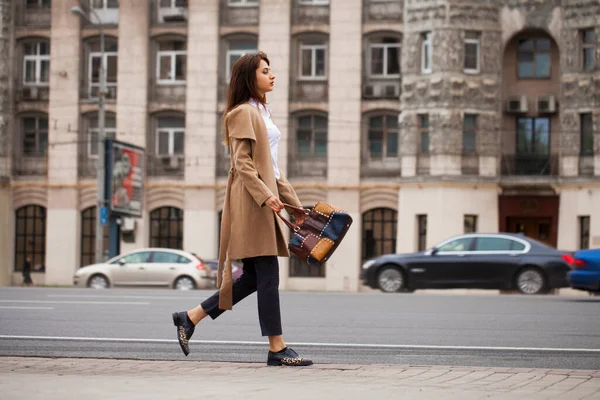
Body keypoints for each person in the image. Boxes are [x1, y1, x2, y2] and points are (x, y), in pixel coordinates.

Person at [172, 51, 312, 367]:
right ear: (250, 78)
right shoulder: (241, 113)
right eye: (265, 71)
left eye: (271, 70)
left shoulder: (263, 113)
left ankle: (190, 317)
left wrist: (294, 205)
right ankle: (277, 348)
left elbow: (273, 168)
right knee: (268, 276)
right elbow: (243, 164)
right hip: (251, 203)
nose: (272, 75)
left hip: (263, 200)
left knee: (252, 278)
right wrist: (267, 197)